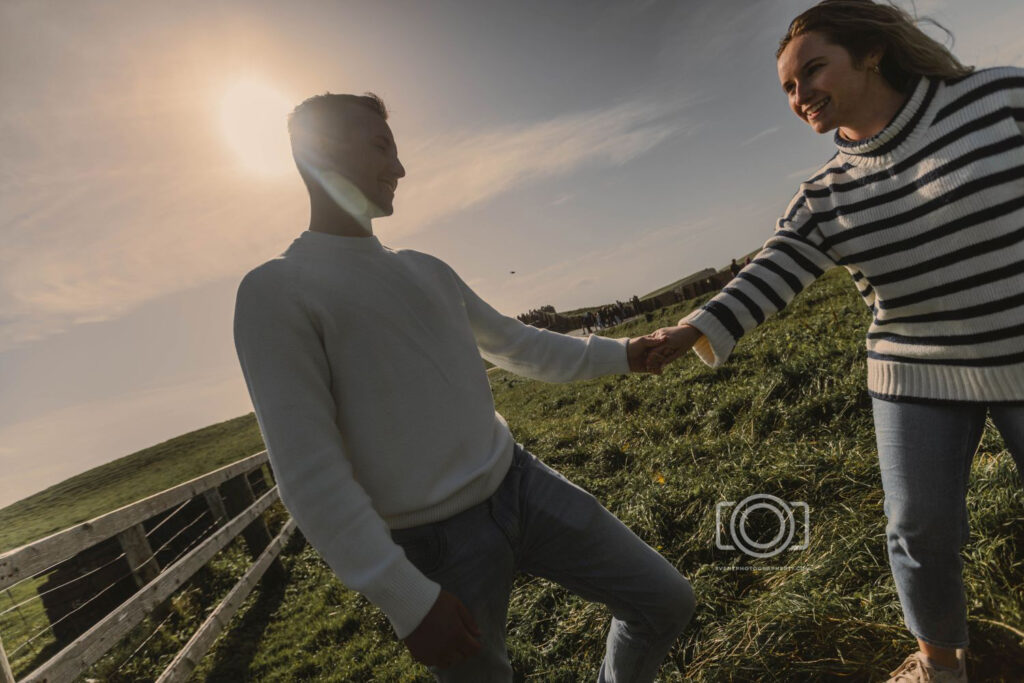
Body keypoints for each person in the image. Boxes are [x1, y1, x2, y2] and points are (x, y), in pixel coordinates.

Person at [233, 92, 694, 682]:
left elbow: (517, 345)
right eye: (381, 148)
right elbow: (307, 471)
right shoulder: (276, 291)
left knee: (665, 602)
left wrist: (626, 354)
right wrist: (405, 598)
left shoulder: (426, 268)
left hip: (522, 484)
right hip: (432, 547)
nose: (399, 169)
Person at [648, 1, 1024, 681]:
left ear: (870, 53)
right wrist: (694, 327)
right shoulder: (825, 195)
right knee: (917, 530)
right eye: (789, 88)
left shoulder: (997, 98)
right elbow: (775, 268)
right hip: (916, 374)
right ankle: (941, 662)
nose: (800, 96)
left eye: (812, 70)